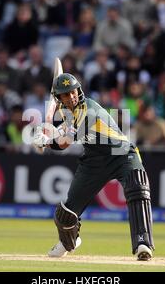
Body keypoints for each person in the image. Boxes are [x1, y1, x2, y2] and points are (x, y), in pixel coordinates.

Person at [32, 73, 155, 261]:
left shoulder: (87, 109)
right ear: (59, 98)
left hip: (121, 153)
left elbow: (64, 143)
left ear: (78, 91)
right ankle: (68, 242)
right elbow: (64, 132)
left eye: (72, 92)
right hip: (94, 160)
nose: (71, 97)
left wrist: (46, 142)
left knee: (137, 188)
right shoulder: (69, 113)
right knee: (66, 214)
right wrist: (47, 135)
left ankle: (142, 243)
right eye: (65, 95)